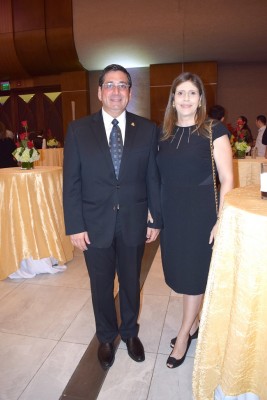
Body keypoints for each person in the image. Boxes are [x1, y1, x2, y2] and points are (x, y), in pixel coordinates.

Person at [63, 64, 162, 370]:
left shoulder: (147, 129)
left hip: (133, 222)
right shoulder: (79, 130)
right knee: (101, 284)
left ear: (130, 93)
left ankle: (130, 333)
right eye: (110, 85)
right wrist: (75, 225)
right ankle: (106, 337)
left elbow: (152, 178)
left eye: (122, 85)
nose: (116, 91)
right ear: (99, 92)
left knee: (131, 282)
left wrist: (155, 218)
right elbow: (72, 182)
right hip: (94, 224)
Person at [156, 72, 234, 369]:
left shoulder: (214, 130)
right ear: (172, 100)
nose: (186, 99)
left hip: (201, 216)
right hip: (173, 216)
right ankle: (196, 321)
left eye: (192, 93)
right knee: (181, 275)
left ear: (200, 99)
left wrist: (220, 220)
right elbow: (159, 177)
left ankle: (184, 334)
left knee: (192, 278)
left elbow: (227, 180)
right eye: (180, 93)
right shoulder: (164, 133)